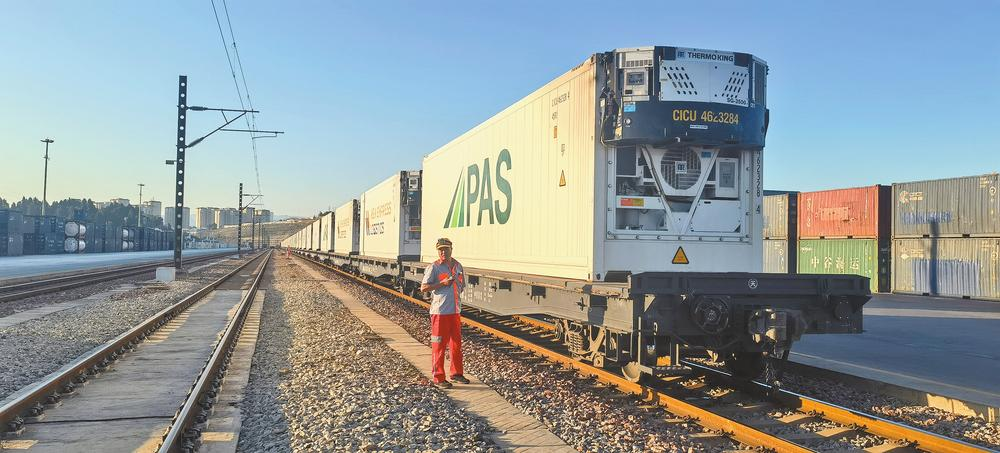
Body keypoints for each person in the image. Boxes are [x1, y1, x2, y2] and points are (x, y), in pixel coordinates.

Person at [420, 237, 468, 389]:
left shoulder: (458, 266)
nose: (443, 252)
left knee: (456, 345)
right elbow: (423, 288)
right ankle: (439, 377)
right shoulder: (434, 267)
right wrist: (442, 283)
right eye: (440, 250)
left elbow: (462, 285)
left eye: (445, 249)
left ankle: (456, 373)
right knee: (439, 345)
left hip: (455, 311)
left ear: (451, 249)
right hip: (440, 313)